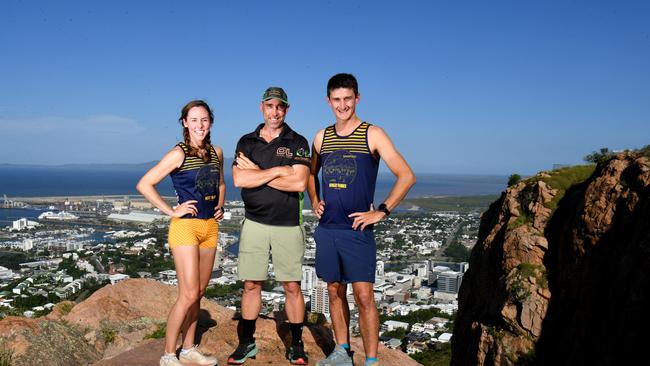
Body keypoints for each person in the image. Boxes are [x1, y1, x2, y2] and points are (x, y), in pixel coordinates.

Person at [308, 74, 416, 366]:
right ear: (328, 101)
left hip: (357, 229)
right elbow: (309, 173)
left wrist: (382, 210)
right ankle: (342, 351)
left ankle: (371, 361)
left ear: (357, 98)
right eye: (336, 100)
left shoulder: (373, 134)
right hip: (328, 228)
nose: (342, 105)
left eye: (347, 99)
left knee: (364, 295)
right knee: (333, 290)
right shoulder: (321, 137)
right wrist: (314, 200)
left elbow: (406, 176)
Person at [137, 100, 225, 366]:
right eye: (194, 120)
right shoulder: (179, 154)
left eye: (204, 119)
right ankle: (167, 354)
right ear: (185, 123)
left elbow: (220, 183)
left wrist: (220, 204)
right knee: (187, 294)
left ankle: (188, 349)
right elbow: (145, 183)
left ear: (211, 122)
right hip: (185, 227)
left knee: (198, 293)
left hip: (210, 227)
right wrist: (171, 210)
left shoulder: (216, 152)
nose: (200, 125)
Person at [228, 87, 311, 365]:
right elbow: (240, 180)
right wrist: (278, 171)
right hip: (254, 223)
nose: (274, 112)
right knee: (251, 285)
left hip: (288, 224)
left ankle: (296, 344)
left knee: (292, 287)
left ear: (286, 109)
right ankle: (246, 342)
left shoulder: (297, 141)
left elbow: (299, 183)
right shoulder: (246, 141)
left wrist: (257, 173)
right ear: (261, 107)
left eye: (280, 107)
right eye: (270, 106)